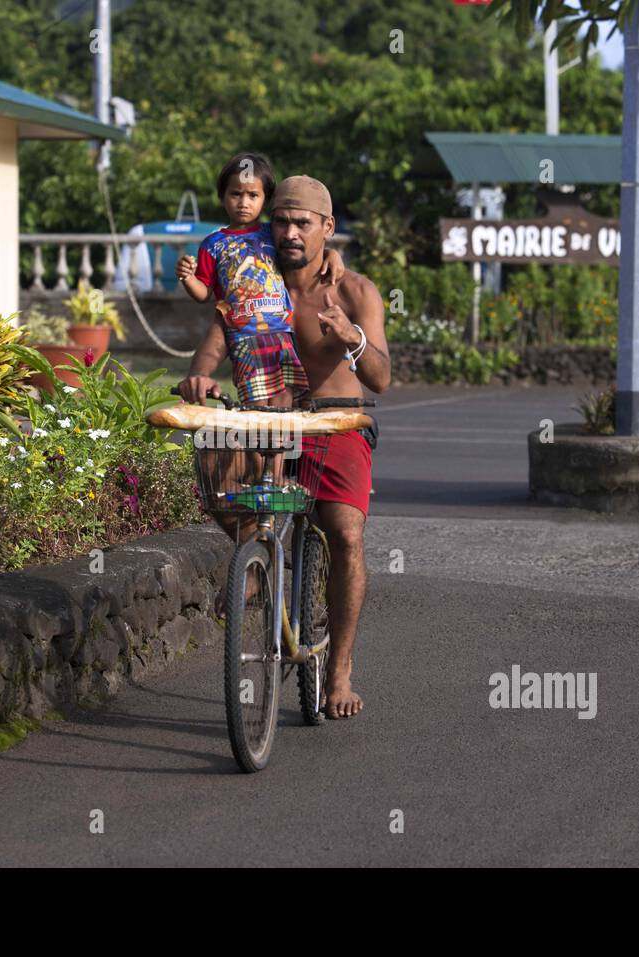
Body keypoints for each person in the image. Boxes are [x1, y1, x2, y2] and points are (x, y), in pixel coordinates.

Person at [178, 174, 391, 720]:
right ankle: (253, 561)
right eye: (281, 221)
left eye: (303, 223)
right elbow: (218, 339)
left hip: (334, 422)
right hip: (269, 418)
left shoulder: (355, 291)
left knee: (345, 533)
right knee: (214, 462)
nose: (290, 232)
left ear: (327, 229)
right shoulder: (253, 278)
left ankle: (339, 672)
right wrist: (200, 377)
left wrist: (354, 339)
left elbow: (383, 378)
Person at [175, 152, 343, 408]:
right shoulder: (213, 245)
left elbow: (303, 251)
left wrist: (332, 254)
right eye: (236, 194)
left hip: (282, 336)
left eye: (253, 195)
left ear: (265, 201)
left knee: (282, 410)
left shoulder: (272, 233)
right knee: (256, 411)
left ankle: (276, 451)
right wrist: (187, 277)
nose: (244, 202)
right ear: (222, 196)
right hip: (243, 336)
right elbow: (203, 294)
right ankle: (257, 450)